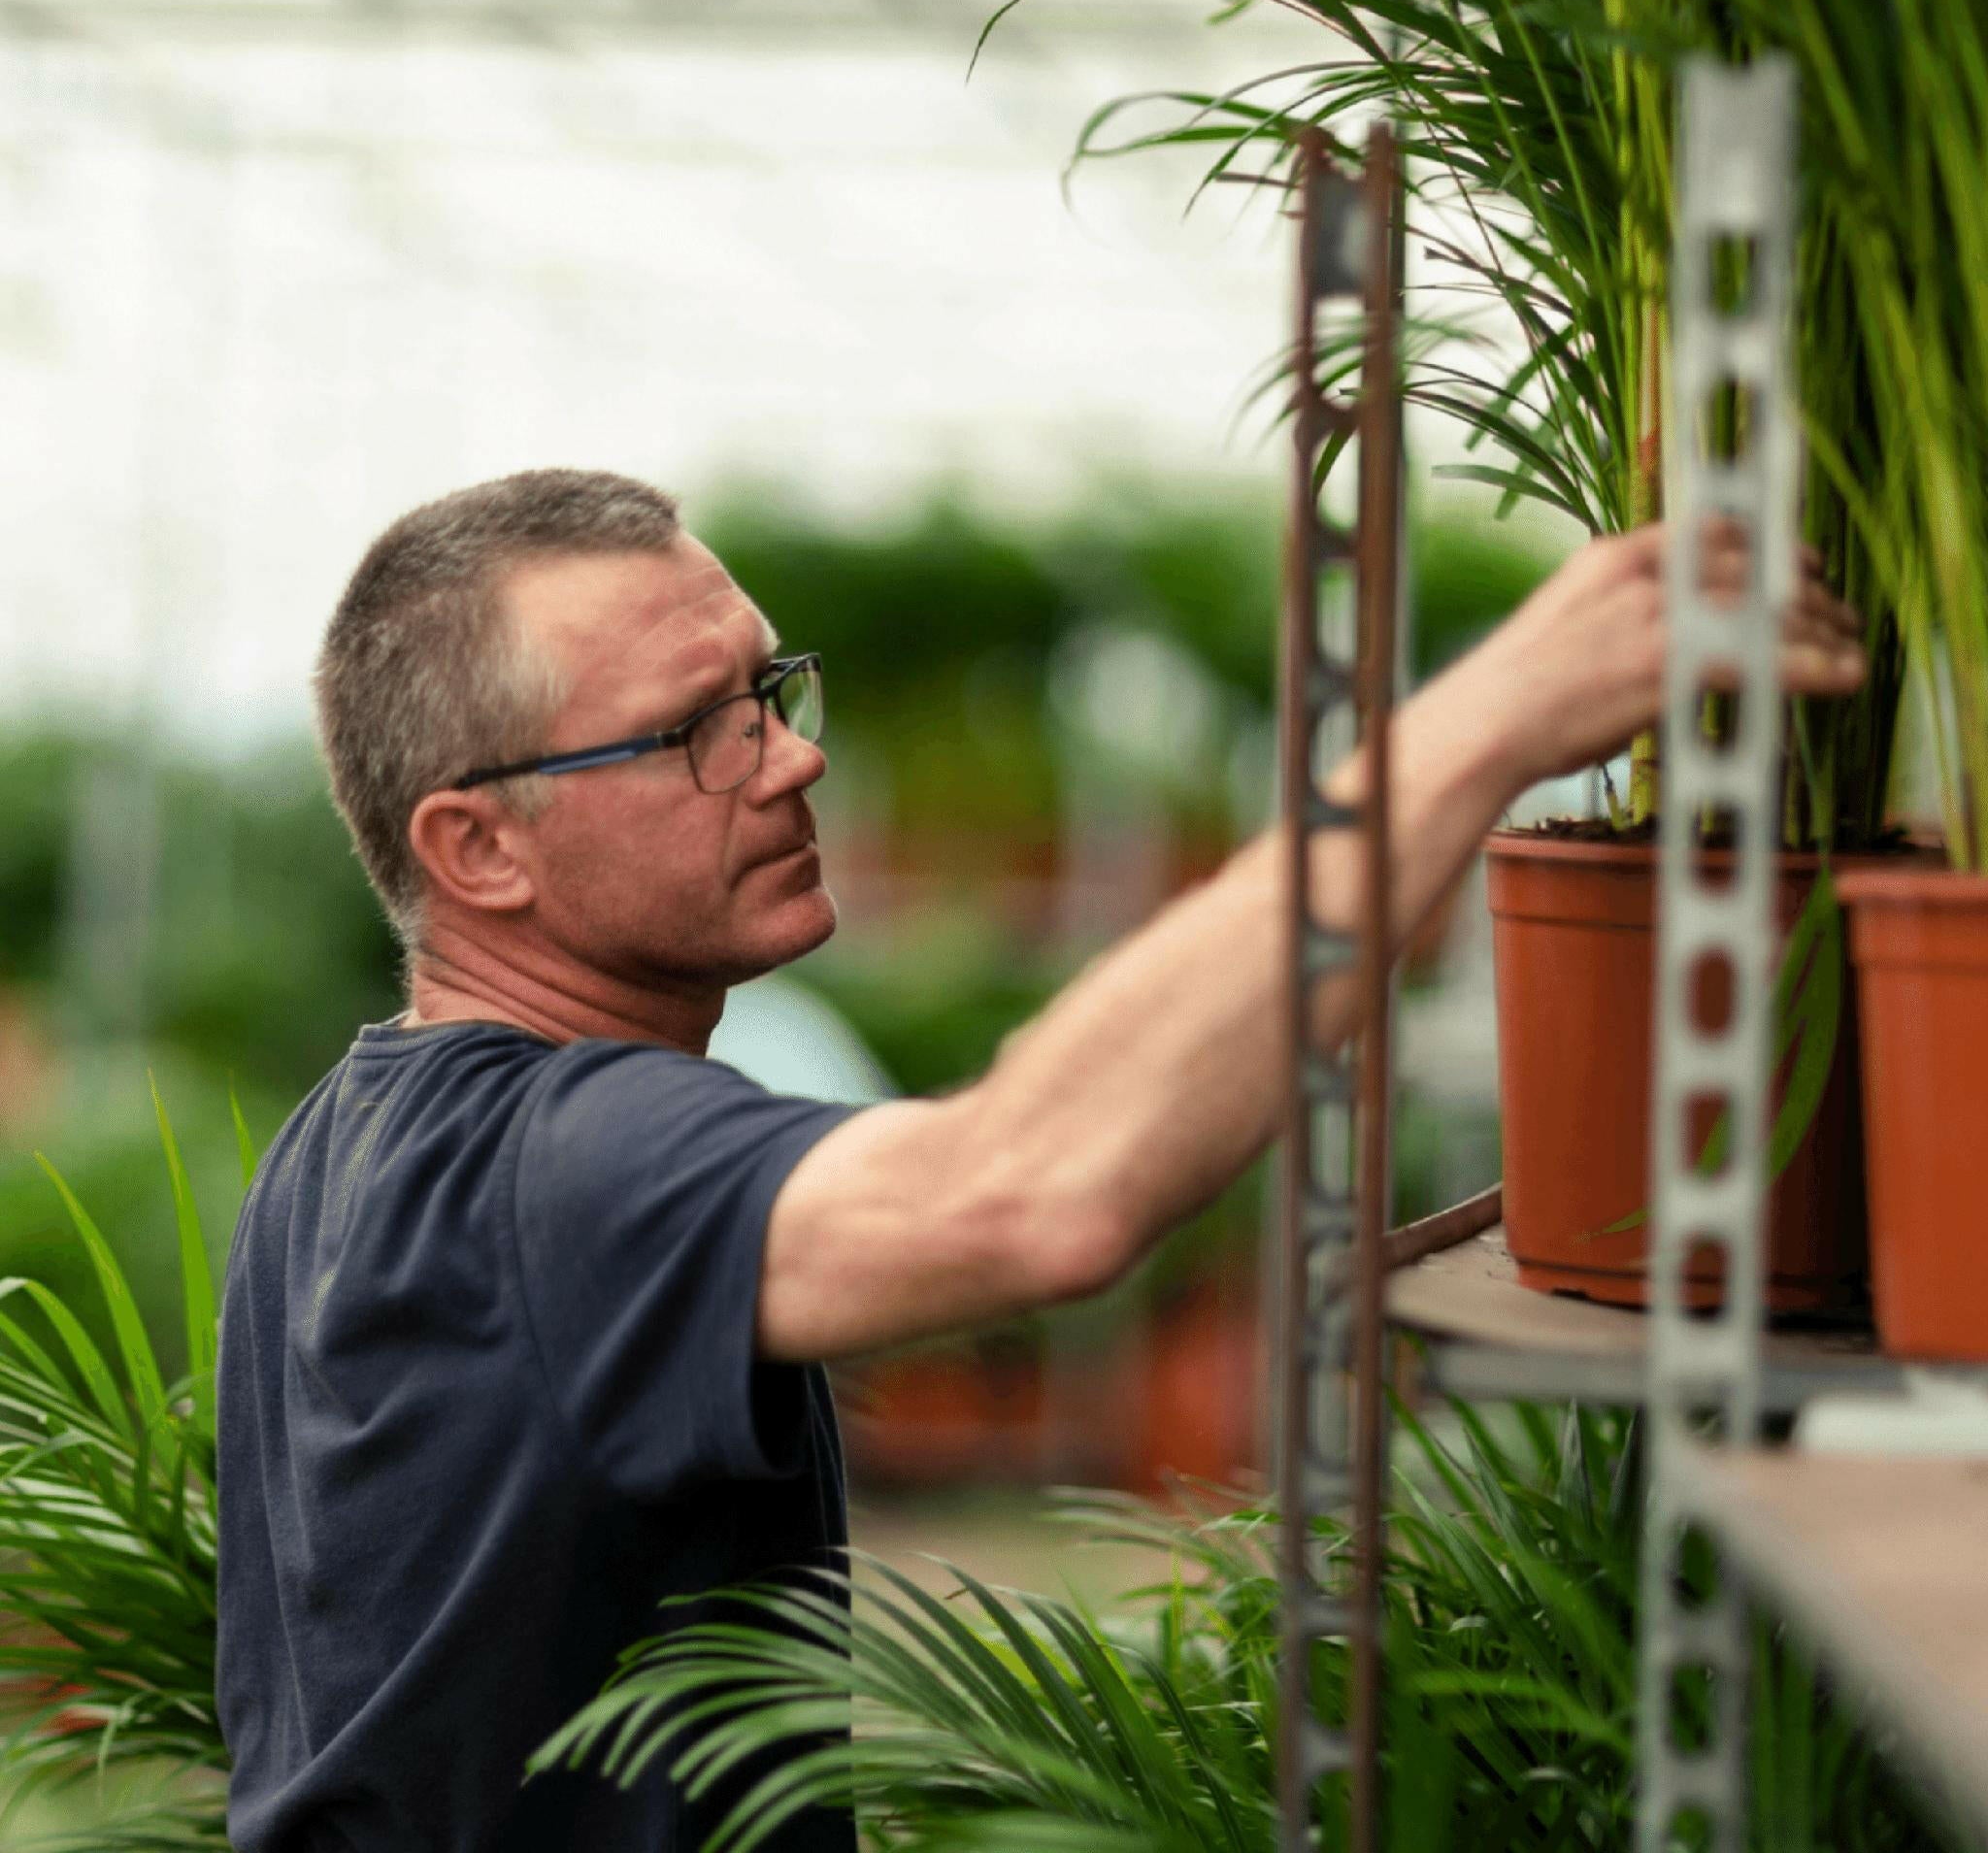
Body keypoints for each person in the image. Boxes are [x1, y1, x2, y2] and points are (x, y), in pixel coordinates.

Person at [215, 468, 1865, 1852]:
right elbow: (1034, 1190)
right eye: (695, 733)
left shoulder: (347, 1142)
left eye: (769, 692)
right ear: (478, 846)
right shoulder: (567, 1165)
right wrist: (1487, 723)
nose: (791, 758)